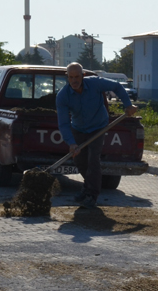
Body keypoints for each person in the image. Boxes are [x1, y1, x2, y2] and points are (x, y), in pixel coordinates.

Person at [55, 62, 137, 209]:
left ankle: (92, 195)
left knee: (93, 160)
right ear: (67, 77)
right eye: (71, 77)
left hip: (98, 127)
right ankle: (87, 188)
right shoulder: (63, 96)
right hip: (78, 128)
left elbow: (117, 87)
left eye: (77, 76)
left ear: (83, 76)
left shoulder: (95, 84)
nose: (74, 80)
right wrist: (71, 143)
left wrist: (128, 105)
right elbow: (64, 123)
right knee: (80, 161)